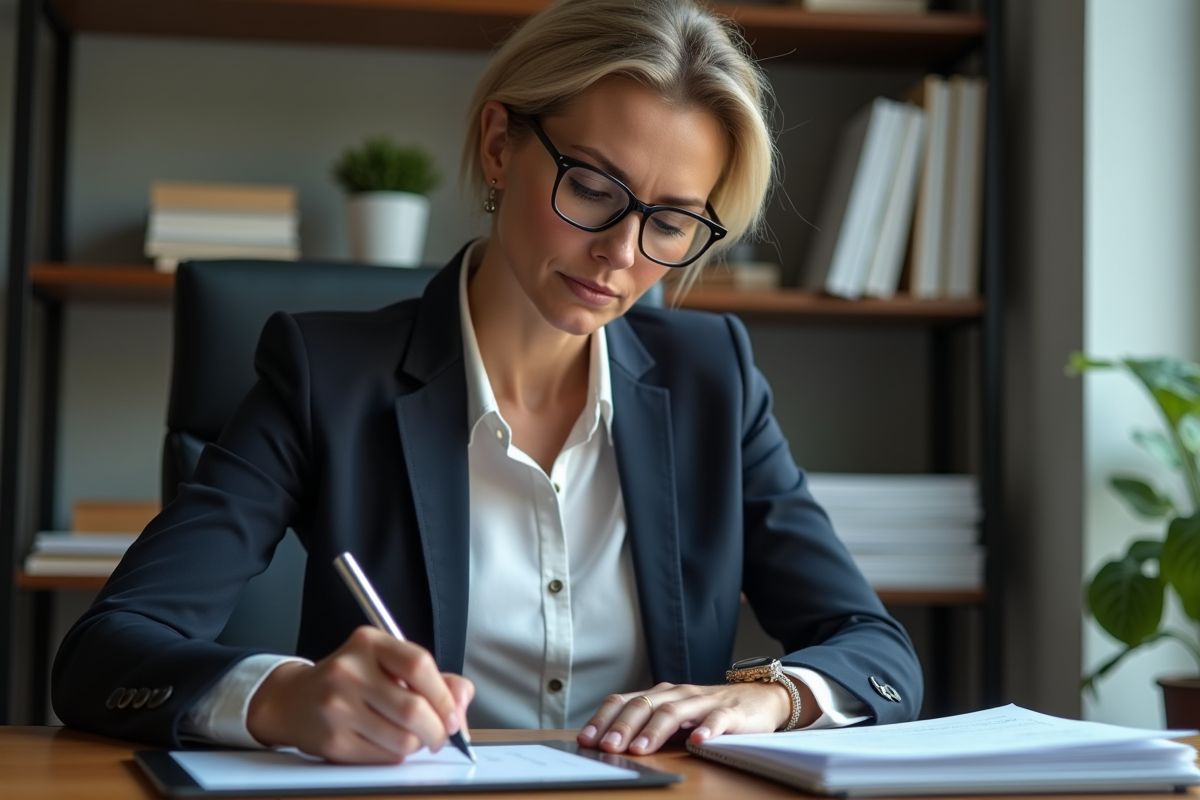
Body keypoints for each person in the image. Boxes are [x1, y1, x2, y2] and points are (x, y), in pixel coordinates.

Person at [52, 0, 922, 764]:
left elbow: (875, 651)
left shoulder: (713, 381)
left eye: (671, 221)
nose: (622, 253)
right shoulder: (327, 375)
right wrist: (285, 699)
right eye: (593, 186)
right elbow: (105, 653)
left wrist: (771, 697)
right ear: (500, 145)